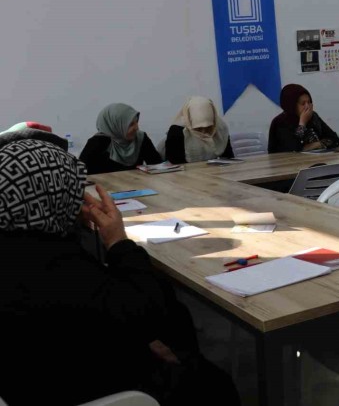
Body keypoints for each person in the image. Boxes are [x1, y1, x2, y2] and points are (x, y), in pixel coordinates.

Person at [0, 130, 239, 406]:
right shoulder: (55, 265)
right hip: (90, 387)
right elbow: (146, 312)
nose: (78, 202)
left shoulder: (22, 248)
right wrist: (117, 240)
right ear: (50, 196)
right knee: (214, 384)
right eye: (72, 192)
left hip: (33, 376)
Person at [79, 102, 162, 174]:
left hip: (137, 185)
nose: (137, 128)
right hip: (105, 186)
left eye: (136, 122)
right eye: (131, 124)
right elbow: (81, 174)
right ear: (115, 126)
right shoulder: (98, 142)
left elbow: (158, 166)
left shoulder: (140, 138)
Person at [268, 84, 339, 153]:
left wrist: (317, 144)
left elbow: (335, 139)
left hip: (315, 159)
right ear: (291, 105)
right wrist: (302, 123)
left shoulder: (313, 116)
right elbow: (294, 149)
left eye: (309, 102)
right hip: (288, 161)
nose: (307, 106)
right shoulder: (280, 122)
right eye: (303, 103)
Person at [164, 96, 234, 163]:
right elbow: (175, 161)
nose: (203, 132)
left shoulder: (220, 127)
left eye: (208, 127)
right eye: (199, 128)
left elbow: (228, 157)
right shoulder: (176, 131)